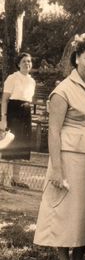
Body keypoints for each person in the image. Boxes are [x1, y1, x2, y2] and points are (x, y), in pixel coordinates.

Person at [33, 33, 85, 260]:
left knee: (84, 212)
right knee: (64, 210)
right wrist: (56, 167)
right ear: (77, 59)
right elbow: (53, 131)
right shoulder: (62, 90)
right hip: (67, 157)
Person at [0, 52, 36, 187]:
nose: (27, 64)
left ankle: (16, 179)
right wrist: (3, 119)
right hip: (13, 112)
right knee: (9, 144)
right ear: (18, 64)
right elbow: (4, 100)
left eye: (29, 61)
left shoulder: (32, 81)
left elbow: (28, 99)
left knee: (21, 144)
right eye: (24, 61)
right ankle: (3, 178)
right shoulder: (12, 78)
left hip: (25, 113)